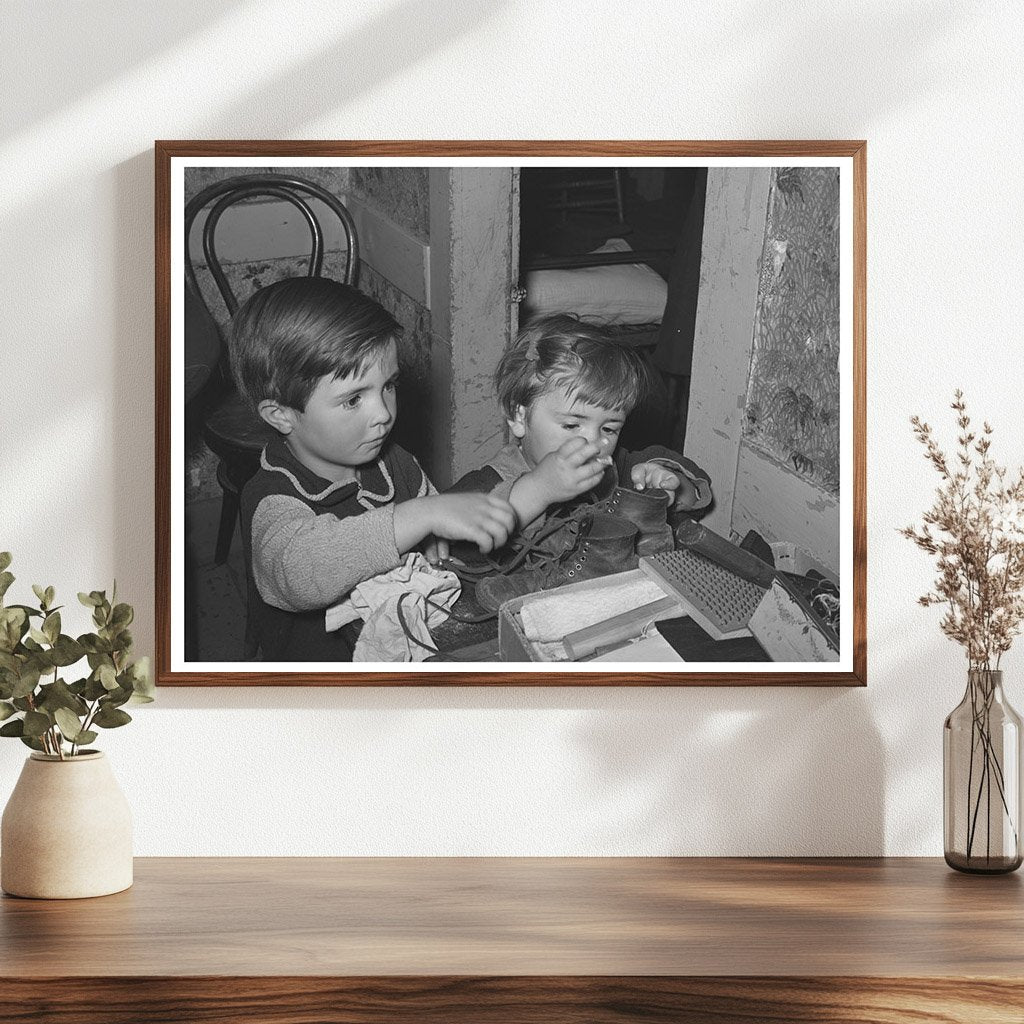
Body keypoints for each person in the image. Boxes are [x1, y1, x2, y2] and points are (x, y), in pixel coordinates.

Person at [228, 277, 516, 660]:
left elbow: (428, 529)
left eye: (389, 385)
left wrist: (431, 535)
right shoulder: (273, 498)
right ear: (280, 414)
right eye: (352, 400)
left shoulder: (396, 462)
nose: (383, 414)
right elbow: (300, 573)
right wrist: (420, 515)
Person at [447, 314, 713, 609]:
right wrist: (539, 489)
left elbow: (694, 492)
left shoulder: (613, 470)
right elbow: (449, 545)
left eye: (609, 428)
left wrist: (667, 481)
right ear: (518, 415)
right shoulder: (484, 484)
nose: (594, 444)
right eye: (573, 425)